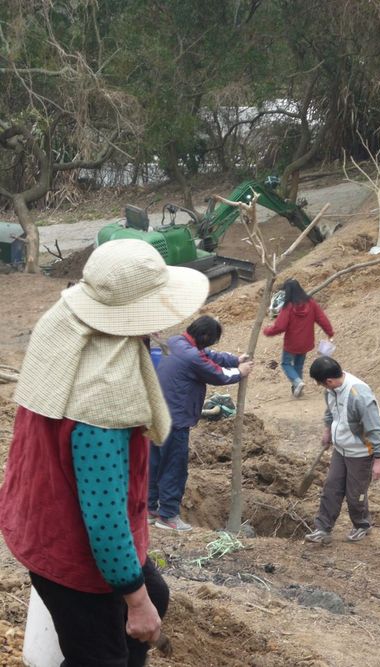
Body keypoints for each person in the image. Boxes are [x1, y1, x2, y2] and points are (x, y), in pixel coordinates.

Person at [0, 239, 209, 667]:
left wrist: (146, 601)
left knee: (158, 597)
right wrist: (135, 601)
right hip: (72, 551)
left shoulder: (64, 333)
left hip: (39, 520)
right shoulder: (102, 405)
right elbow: (106, 521)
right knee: (103, 655)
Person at [148, 315, 253, 532]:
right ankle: (168, 515)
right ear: (204, 336)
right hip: (175, 419)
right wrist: (239, 372)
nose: (212, 345)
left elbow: (209, 356)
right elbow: (217, 374)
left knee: (155, 463)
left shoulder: (177, 341)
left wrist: (234, 359)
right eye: (212, 340)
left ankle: (148, 509)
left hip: (156, 415)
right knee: (174, 467)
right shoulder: (192, 357)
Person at [305, 356, 380, 545]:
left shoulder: (359, 396)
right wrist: (328, 430)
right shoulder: (332, 391)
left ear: (329, 381)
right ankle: (323, 528)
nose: (323, 388)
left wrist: (379, 459)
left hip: (361, 453)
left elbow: (375, 429)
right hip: (341, 450)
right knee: (331, 488)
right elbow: (330, 411)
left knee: (355, 494)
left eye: (322, 385)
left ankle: (361, 525)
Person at [263, 278, 334, 397]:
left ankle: (297, 382)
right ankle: (297, 390)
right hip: (306, 342)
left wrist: (267, 331)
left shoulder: (288, 307)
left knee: (286, 363)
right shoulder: (311, 303)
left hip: (292, 343)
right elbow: (322, 318)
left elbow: (280, 326)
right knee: (298, 365)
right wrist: (330, 332)